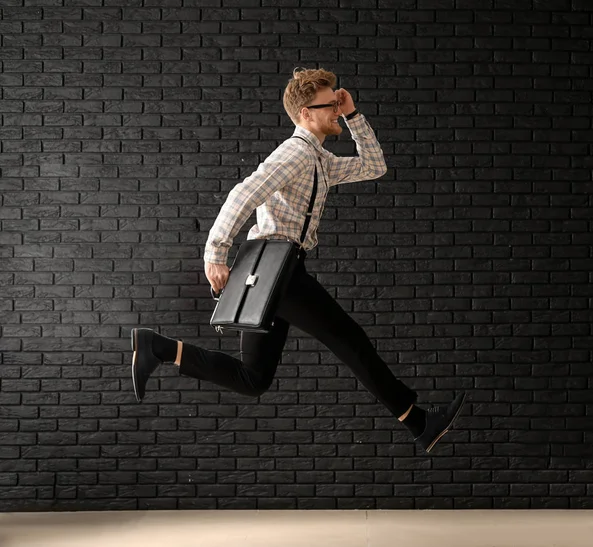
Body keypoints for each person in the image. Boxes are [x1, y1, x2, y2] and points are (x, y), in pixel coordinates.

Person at [131, 67, 466, 454]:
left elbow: (374, 166)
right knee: (350, 339)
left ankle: (158, 348)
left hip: (274, 268)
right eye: (330, 106)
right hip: (277, 267)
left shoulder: (319, 160)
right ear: (306, 113)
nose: (336, 112)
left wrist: (354, 114)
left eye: (337, 104)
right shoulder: (295, 154)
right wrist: (215, 252)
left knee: (252, 378)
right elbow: (243, 194)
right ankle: (419, 421)